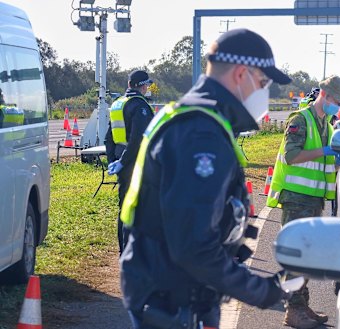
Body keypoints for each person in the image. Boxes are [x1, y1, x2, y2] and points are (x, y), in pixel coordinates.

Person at [118, 28, 292, 329]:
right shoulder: (201, 134)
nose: (265, 92)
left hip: (170, 288)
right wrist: (260, 291)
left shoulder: (197, 117)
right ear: (241, 74)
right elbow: (193, 246)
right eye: (263, 82)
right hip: (171, 299)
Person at [266, 75, 340, 329]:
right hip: (296, 197)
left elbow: (322, 164)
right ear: (324, 94)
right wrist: (325, 151)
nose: (338, 105)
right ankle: (293, 309)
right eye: (336, 100)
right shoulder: (300, 120)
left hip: (313, 199)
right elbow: (292, 156)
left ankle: (302, 304)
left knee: (306, 256)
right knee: (294, 256)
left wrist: (337, 160)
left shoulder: (328, 126)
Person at [104, 70, 155, 255]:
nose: (147, 88)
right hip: (138, 164)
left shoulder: (118, 104)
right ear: (142, 85)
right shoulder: (139, 106)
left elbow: (109, 138)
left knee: (125, 207)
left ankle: (124, 252)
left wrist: (114, 161)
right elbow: (137, 140)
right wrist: (124, 161)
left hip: (122, 164)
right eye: (146, 85)